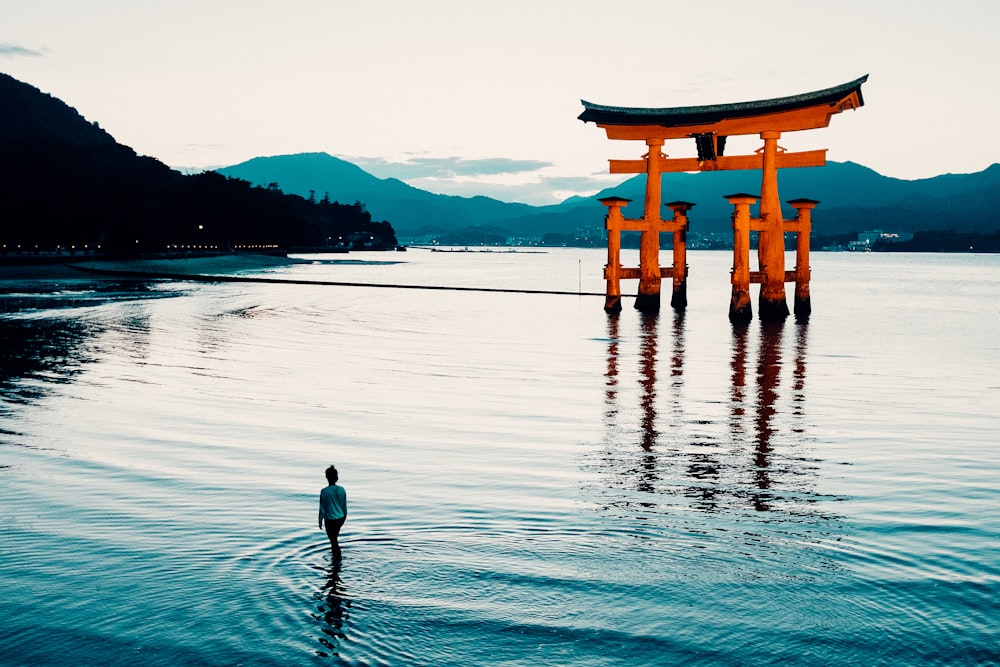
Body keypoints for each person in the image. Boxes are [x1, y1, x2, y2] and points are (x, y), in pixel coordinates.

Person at [318, 465, 347, 559]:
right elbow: (344, 506)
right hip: (340, 518)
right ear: (337, 477)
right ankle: (336, 560)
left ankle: (337, 560)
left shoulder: (324, 491)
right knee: (334, 540)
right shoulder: (342, 489)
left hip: (330, 520)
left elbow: (322, 508)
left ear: (327, 477)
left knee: (333, 541)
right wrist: (344, 518)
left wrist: (320, 521)